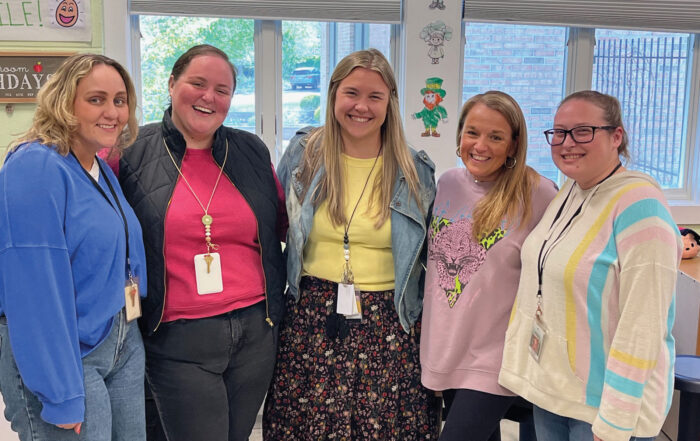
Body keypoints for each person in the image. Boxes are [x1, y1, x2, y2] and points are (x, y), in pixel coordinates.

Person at [263, 48, 440, 440]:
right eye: (351, 93)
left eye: (375, 97)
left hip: (389, 322)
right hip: (311, 317)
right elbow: (275, 225)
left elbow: (430, 258)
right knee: (306, 426)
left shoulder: (414, 171)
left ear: (390, 102)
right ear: (333, 95)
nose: (362, 106)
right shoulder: (303, 155)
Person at [119, 44, 286, 441]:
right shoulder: (128, 153)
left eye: (222, 89)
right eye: (197, 83)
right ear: (172, 83)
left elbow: (279, 223)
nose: (209, 97)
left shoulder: (251, 150)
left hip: (255, 331)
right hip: (178, 336)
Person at [499, 90, 682, 441]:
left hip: (602, 411)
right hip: (555, 390)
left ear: (617, 136)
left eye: (583, 131)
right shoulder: (571, 190)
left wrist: (614, 422)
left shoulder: (641, 207)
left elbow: (642, 327)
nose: (568, 143)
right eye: (559, 132)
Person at [0, 53, 148, 441]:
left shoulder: (96, 167)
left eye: (120, 100)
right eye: (96, 99)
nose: (113, 112)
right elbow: (35, 290)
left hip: (119, 338)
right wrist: (60, 393)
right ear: (65, 103)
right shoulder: (35, 166)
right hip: (68, 354)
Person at [419, 91, 557, 441]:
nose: (480, 145)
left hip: (494, 357)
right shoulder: (448, 182)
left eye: (495, 137)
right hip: (446, 344)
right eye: (472, 132)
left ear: (513, 145)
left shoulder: (538, 193)